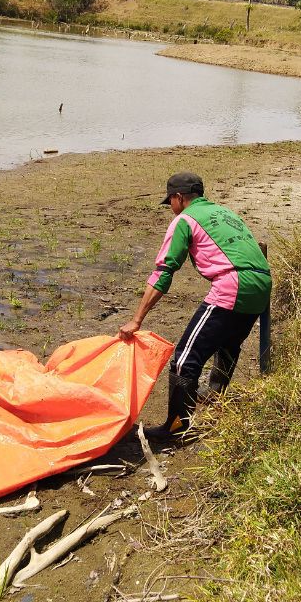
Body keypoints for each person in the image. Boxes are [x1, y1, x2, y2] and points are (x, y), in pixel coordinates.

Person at [117, 172, 271, 439]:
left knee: (184, 360)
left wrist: (137, 319)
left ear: (178, 198)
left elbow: (164, 271)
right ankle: (214, 398)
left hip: (232, 285)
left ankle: (177, 427)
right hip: (262, 284)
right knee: (228, 344)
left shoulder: (184, 220)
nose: (171, 209)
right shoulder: (225, 213)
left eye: (170, 202)